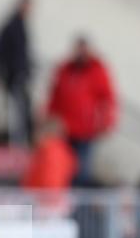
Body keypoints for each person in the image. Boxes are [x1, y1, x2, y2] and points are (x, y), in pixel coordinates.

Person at [46, 36, 118, 187]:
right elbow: (54, 97)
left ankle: (78, 208)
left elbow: (108, 99)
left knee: (82, 173)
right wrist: (49, 120)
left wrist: (105, 123)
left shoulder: (98, 71)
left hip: (85, 132)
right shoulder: (65, 70)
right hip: (64, 131)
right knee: (62, 170)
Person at [0, 0, 34, 145]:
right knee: (17, 111)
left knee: (21, 110)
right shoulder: (13, 26)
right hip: (14, 76)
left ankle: (18, 141)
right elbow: (0, 49)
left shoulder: (19, 25)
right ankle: (16, 143)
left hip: (19, 75)